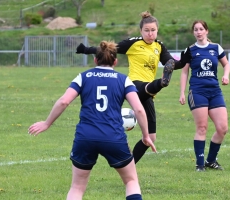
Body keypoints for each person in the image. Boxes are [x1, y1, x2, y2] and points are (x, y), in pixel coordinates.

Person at [28, 40, 157, 200]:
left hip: (85, 137)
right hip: (113, 138)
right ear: (115, 61)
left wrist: (47, 123)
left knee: (77, 187)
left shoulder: (83, 77)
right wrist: (145, 136)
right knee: (131, 181)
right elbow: (138, 109)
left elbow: (64, 101)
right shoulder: (123, 80)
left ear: (95, 60)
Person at [76, 11, 189, 164]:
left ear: (157, 30)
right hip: (133, 86)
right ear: (141, 31)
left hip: (148, 94)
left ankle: (130, 164)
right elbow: (108, 49)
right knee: (151, 86)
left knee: (151, 137)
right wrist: (86, 49)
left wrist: (186, 60)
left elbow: (171, 63)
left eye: (153, 30)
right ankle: (162, 82)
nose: (150, 33)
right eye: (146, 30)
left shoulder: (159, 46)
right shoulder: (133, 43)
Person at [179, 20, 230, 172]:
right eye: (195, 30)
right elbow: (184, 72)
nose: (198, 32)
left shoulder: (216, 48)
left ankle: (211, 160)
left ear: (206, 31)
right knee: (202, 127)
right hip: (197, 91)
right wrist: (182, 92)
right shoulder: (189, 50)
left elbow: (226, 64)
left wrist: (226, 75)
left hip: (215, 91)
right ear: (193, 32)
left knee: (222, 128)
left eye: (201, 29)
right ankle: (200, 164)